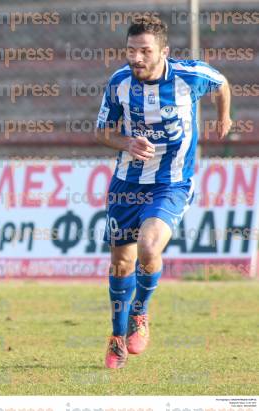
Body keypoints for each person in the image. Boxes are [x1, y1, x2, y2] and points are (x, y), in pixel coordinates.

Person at [95, 16, 231, 368]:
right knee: (121, 264)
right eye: (130, 50)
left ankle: (140, 312)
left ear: (163, 52)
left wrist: (224, 118)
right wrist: (125, 141)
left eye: (145, 51)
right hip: (126, 185)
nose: (136, 58)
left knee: (149, 246)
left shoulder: (190, 76)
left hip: (171, 183)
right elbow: (102, 131)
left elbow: (222, 85)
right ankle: (116, 336)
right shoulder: (119, 82)